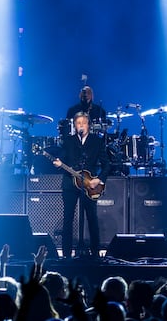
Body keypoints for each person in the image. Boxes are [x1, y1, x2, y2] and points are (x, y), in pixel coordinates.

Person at [52, 111, 110, 259]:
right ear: (75, 126)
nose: (81, 125)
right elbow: (63, 160)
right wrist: (59, 164)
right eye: (78, 123)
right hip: (70, 184)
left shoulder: (97, 142)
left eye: (84, 123)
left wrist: (99, 179)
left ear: (89, 125)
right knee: (68, 218)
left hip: (89, 184)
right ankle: (66, 254)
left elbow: (107, 164)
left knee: (92, 218)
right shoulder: (68, 141)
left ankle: (95, 253)